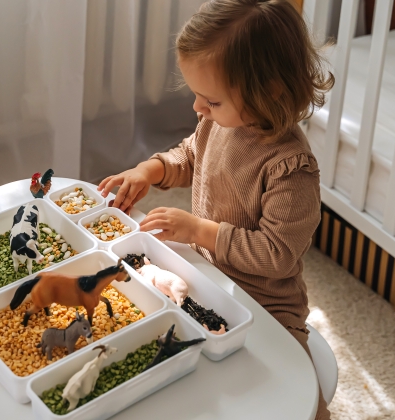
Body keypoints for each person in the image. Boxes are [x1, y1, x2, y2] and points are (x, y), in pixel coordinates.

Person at [98, 0, 334, 418]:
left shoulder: (291, 169)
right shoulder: (216, 123)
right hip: (207, 278)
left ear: (270, 91)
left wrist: (199, 230)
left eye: (211, 100)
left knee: (292, 395)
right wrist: (149, 170)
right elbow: (191, 156)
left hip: (268, 307)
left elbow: (276, 256)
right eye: (197, 96)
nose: (197, 108)